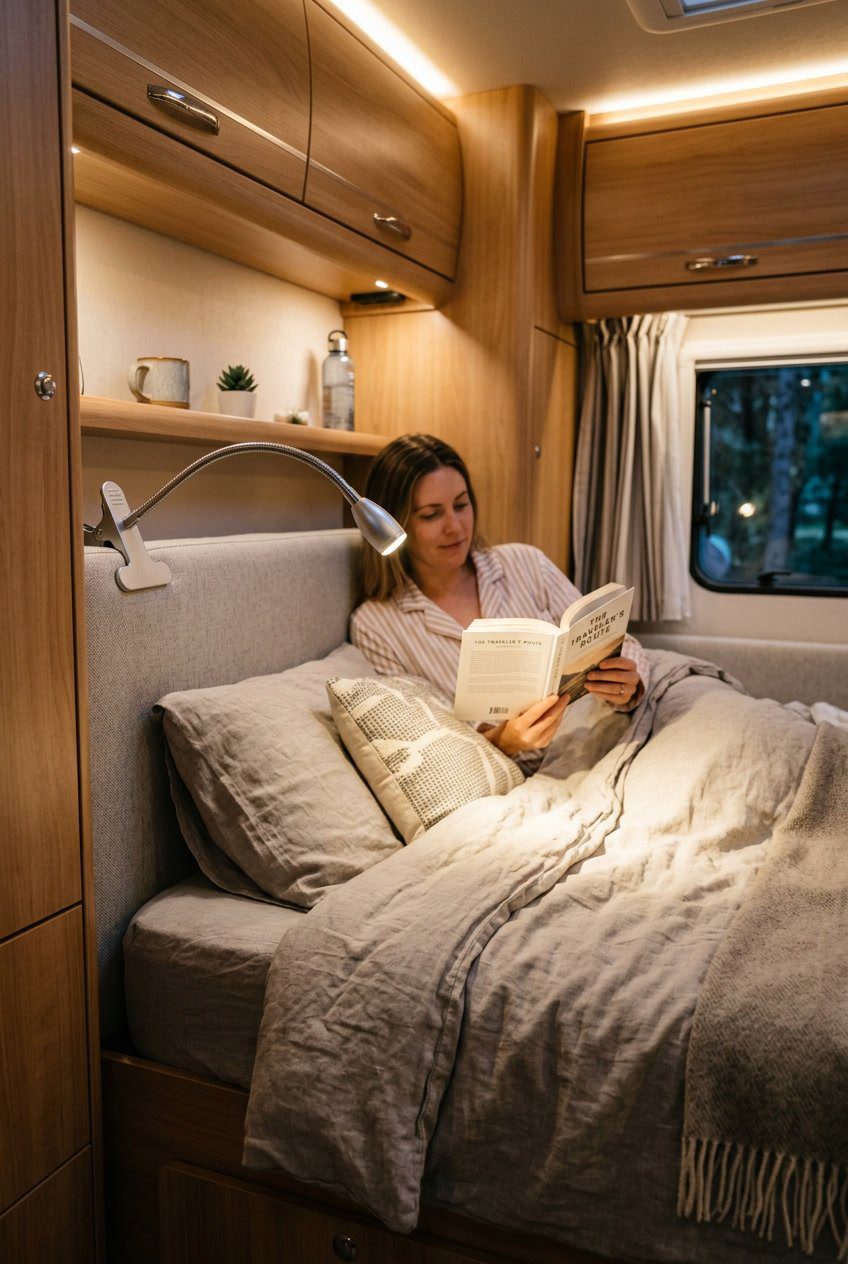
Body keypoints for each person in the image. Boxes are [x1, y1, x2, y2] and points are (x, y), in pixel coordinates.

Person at [350, 434, 648, 761]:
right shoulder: (376, 625)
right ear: (396, 522)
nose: (455, 526)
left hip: (602, 734)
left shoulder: (525, 562)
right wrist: (504, 741)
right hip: (528, 771)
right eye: (431, 515)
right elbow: (425, 744)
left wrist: (628, 686)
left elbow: (620, 642)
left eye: (461, 505)